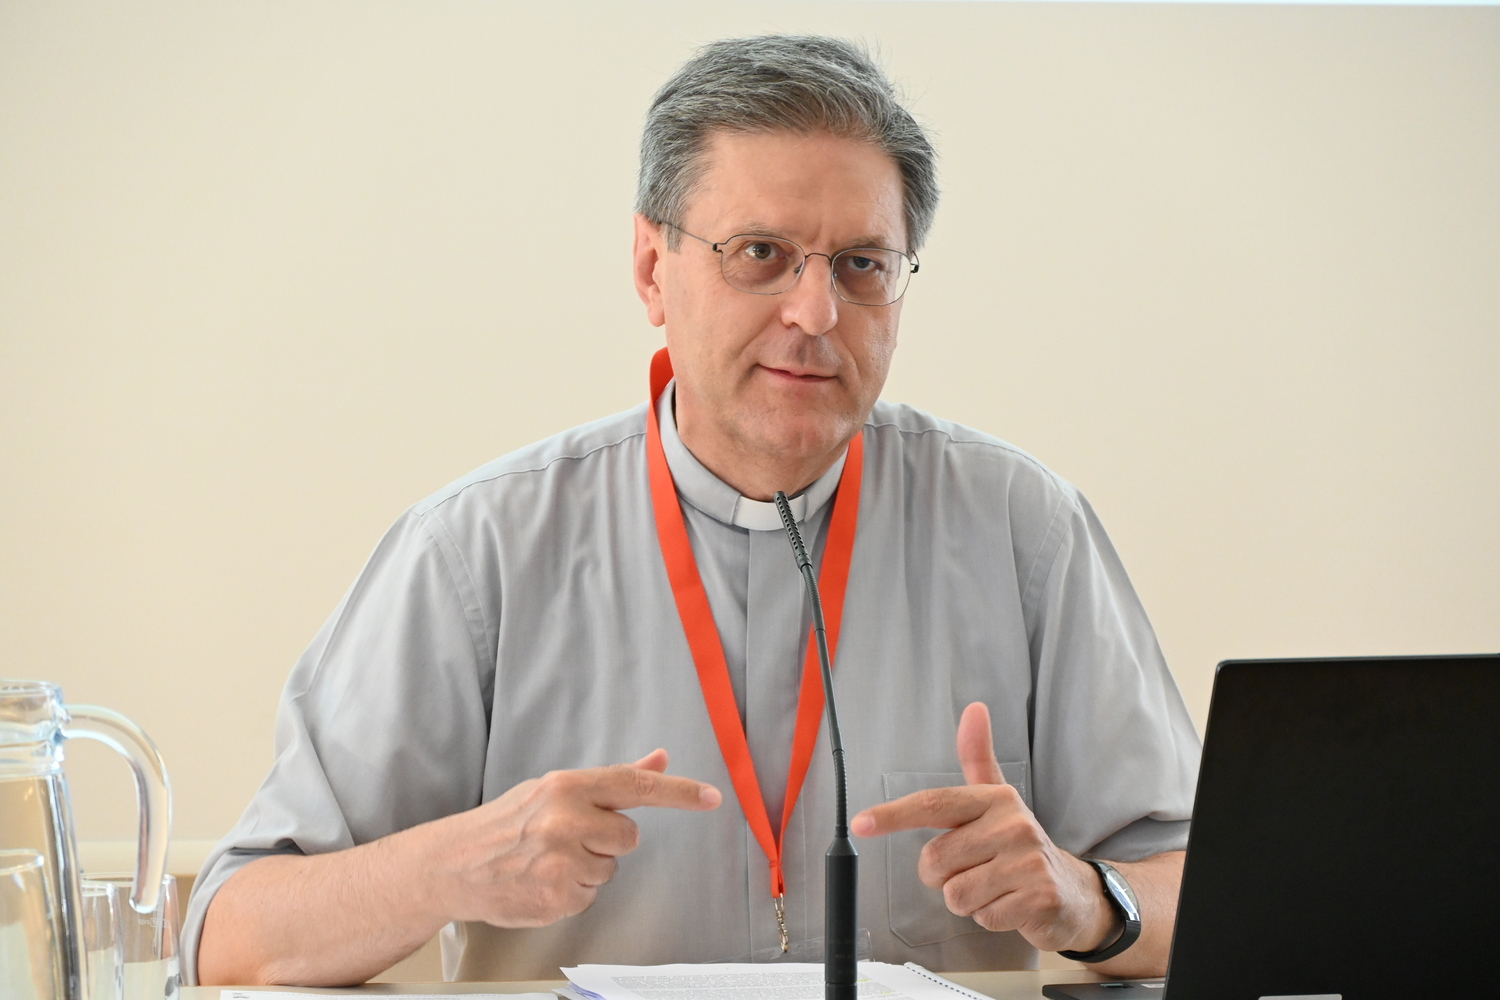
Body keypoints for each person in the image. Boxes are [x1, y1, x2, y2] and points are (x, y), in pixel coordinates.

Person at [186, 35, 1200, 987]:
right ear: (651, 269)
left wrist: (1088, 898)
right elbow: (233, 933)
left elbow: (1203, 887)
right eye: (760, 252)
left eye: (862, 264)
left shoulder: (1023, 529)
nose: (816, 313)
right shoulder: (477, 551)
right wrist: (450, 865)